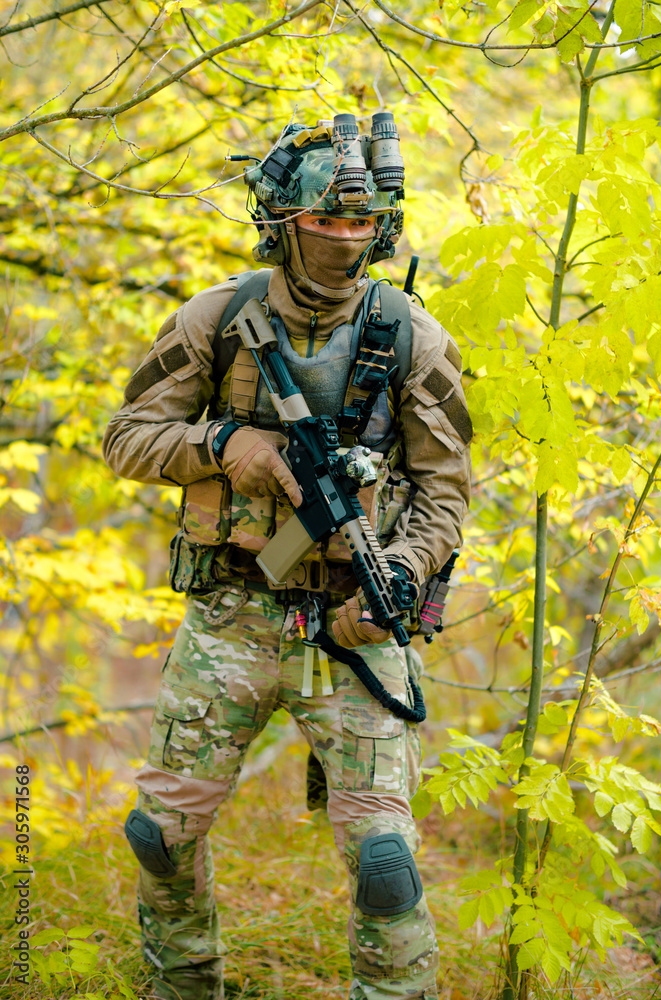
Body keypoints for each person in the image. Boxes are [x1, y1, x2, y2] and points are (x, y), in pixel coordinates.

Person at [103, 112, 472, 1000]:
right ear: (280, 220)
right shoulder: (218, 318)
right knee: (162, 834)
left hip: (353, 621)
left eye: (361, 222)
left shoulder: (412, 334)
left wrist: (403, 576)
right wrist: (229, 445)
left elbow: (446, 488)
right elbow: (125, 437)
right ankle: (184, 983)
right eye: (324, 221)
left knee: (384, 860)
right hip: (232, 610)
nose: (345, 239)